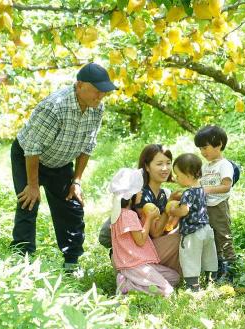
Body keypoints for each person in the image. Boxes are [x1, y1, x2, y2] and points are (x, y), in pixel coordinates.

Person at [10, 62, 117, 271]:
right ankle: (22, 258)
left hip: (60, 161)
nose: (100, 96)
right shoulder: (54, 106)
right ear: (79, 86)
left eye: (104, 92)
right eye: (97, 91)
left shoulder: (97, 108)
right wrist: (33, 185)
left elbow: (88, 145)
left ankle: (71, 262)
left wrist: (76, 180)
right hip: (29, 157)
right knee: (28, 201)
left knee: (71, 205)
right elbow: (32, 148)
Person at [98, 144, 182, 274]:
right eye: (159, 164)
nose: (165, 168)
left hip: (146, 248)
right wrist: (168, 207)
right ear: (147, 166)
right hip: (132, 254)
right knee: (180, 239)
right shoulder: (140, 194)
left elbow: (167, 227)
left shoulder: (164, 192)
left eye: (168, 163)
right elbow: (155, 232)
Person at [109, 168, 180, 297]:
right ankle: (126, 286)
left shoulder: (122, 214)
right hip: (132, 265)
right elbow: (141, 240)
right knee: (167, 292)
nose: (141, 192)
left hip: (138, 264)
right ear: (131, 195)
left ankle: (133, 283)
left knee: (174, 277)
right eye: (139, 190)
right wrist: (149, 219)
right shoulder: (128, 215)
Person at [170, 153, 218, 291]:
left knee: (190, 257)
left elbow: (184, 211)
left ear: (189, 175)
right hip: (206, 229)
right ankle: (211, 281)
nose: (176, 178)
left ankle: (193, 286)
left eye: (178, 175)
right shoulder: (201, 189)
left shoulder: (188, 193)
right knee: (209, 256)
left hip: (192, 232)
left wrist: (174, 210)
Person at [194, 125, 236, 280]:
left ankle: (229, 267)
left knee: (222, 235)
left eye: (205, 147)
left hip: (219, 205)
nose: (203, 152)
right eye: (200, 149)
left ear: (219, 144)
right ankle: (216, 266)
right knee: (211, 236)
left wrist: (207, 190)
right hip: (206, 207)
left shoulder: (224, 165)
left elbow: (226, 186)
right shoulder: (205, 166)